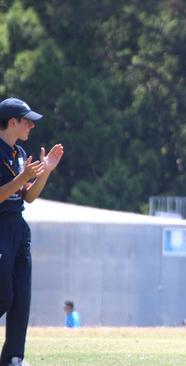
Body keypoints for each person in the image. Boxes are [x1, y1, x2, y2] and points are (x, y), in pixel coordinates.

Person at [0, 97, 64, 366]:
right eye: (27, 121)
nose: (31, 126)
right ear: (12, 122)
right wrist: (23, 178)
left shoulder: (20, 153)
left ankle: (13, 357)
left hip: (18, 227)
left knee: (21, 297)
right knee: (4, 295)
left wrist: (44, 173)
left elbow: (27, 197)